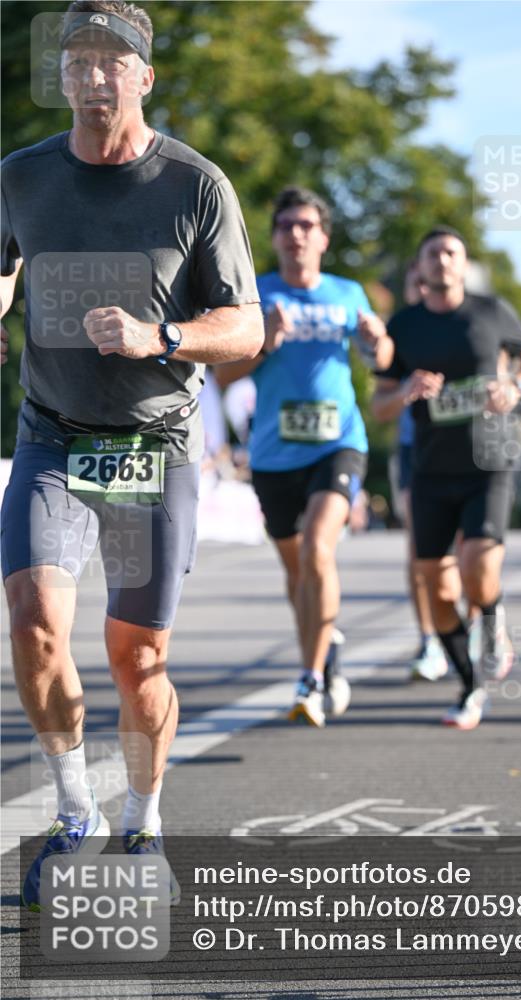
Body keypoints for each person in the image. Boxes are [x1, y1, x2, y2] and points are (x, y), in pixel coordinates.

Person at [0, 0, 263, 910]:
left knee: (136, 662)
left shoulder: (194, 185)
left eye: (112, 59)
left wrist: (161, 336)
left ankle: (143, 819)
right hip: (53, 434)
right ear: (61, 75)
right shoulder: (21, 177)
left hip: (153, 445)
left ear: (144, 76)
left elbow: (246, 328)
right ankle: (74, 810)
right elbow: (3, 268)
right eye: (76, 57)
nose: (92, 73)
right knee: (34, 624)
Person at [216, 186, 392, 727]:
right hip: (273, 455)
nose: (296, 234)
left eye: (307, 225)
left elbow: (382, 360)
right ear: (273, 237)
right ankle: (325, 646)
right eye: (286, 225)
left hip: (340, 443)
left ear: (324, 237)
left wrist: (375, 337)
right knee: (297, 575)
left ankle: (311, 678)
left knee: (319, 549)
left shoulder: (347, 292)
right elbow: (222, 377)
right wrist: (264, 341)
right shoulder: (254, 296)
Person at [374, 226, 521, 729]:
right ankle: (470, 686)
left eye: (452, 252)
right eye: (433, 253)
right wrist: (406, 389)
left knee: (476, 563)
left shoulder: (491, 311)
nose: (443, 260)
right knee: (436, 587)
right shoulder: (403, 325)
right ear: (422, 267)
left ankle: (493, 625)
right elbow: (381, 407)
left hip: (489, 461)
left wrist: (514, 386)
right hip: (431, 469)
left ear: (463, 262)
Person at [374, 260, 450, 682]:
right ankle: (429, 639)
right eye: (414, 283)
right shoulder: (400, 336)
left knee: (461, 548)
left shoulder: (463, 322)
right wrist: (405, 390)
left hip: (463, 452)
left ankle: (472, 623)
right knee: (420, 546)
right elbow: (381, 404)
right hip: (414, 449)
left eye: (427, 282)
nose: (422, 289)